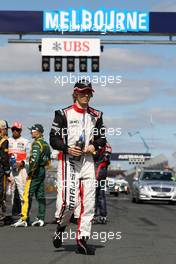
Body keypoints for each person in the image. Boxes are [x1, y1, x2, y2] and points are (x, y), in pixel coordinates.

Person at [50, 79, 106, 255]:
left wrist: (94, 146)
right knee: (70, 203)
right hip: (69, 161)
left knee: (88, 203)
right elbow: (53, 139)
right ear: (75, 93)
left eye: (89, 92)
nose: (86, 95)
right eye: (83, 92)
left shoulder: (96, 115)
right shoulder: (62, 113)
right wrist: (67, 148)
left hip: (88, 161)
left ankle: (82, 240)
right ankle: (61, 226)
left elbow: (102, 138)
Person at [12, 124, 51, 227]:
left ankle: (24, 218)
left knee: (26, 194)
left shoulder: (36, 143)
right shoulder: (46, 144)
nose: (31, 132)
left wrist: (31, 172)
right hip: (42, 170)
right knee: (40, 195)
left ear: (38, 132)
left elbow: (34, 159)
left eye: (33, 131)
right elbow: (48, 161)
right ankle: (41, 218)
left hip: (35, 171)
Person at [8, 121, 29, 217]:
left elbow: (30, 156)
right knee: (11, 191)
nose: (15, 131)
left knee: (22, 191)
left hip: (22, 170)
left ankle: (24, 213)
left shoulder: (25, 141)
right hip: (11, 170)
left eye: (17, 130)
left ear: (20, 131)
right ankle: (13, 212)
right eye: (13, 129)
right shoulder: (8, 141)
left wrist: (22, 163)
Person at [93, 142, 112, 224]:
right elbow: (107, 160)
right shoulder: (108, 145)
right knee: (101, 195)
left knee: (94, 195)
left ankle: (94, 215)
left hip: (97, 171)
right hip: (103, 171)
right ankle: (103, 216)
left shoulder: (97, 144)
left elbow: (95, 157)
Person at [0, 120, 12, 220]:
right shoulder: (4, 141)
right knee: (1, 191)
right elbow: (4, 158)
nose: (6, 131)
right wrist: (7, 171)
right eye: (5, 129)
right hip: (0, 169)